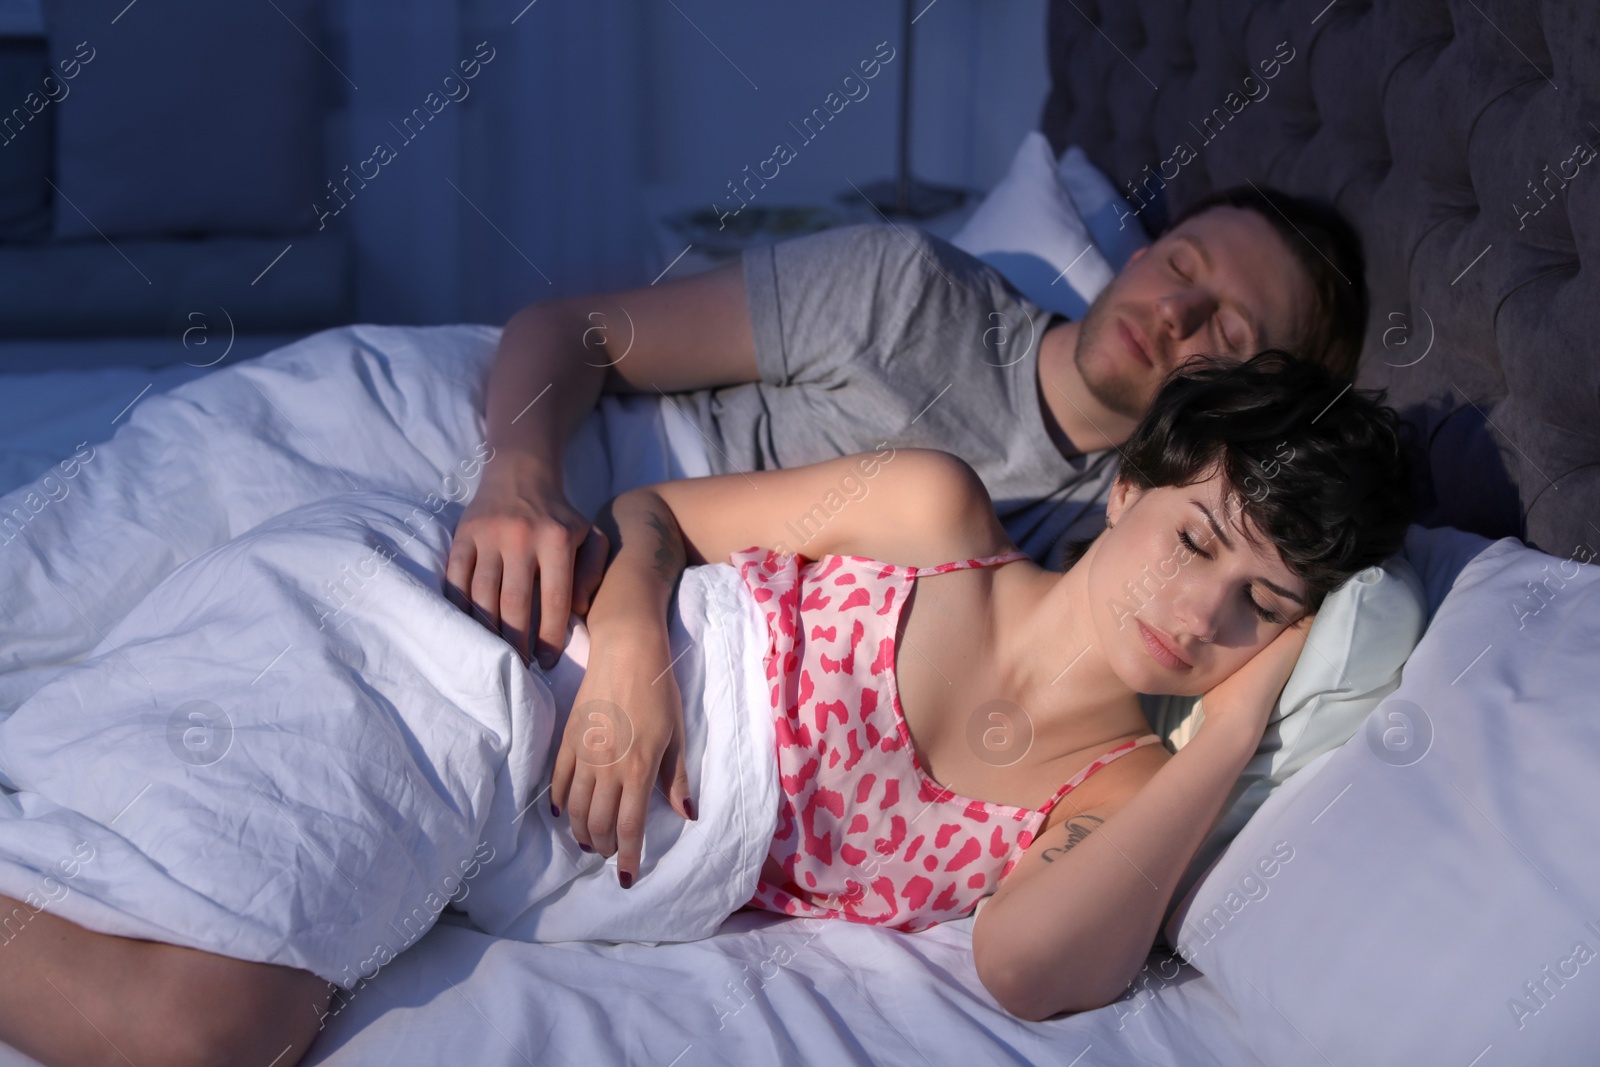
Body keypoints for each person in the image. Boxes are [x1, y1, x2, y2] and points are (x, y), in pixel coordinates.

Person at [549, 350, 1412, 1020]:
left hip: (578, 849)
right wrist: (629, 658)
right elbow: (650, 513)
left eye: (1260, 605)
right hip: (555, 649)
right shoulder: (934, 513)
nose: (1199, 613)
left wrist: (1229, 732)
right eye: (1194, 541)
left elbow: (1026, 969)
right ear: (1128, 490)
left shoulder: (1119, 786)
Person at [448, 184, 1368, 674]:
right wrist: (519, 477)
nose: (1176, 309)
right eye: (1179, 263)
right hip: (543, 442)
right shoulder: (906, 289)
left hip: (663, 608)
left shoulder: (1134, 536)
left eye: (1228, 332)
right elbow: (576, 331)